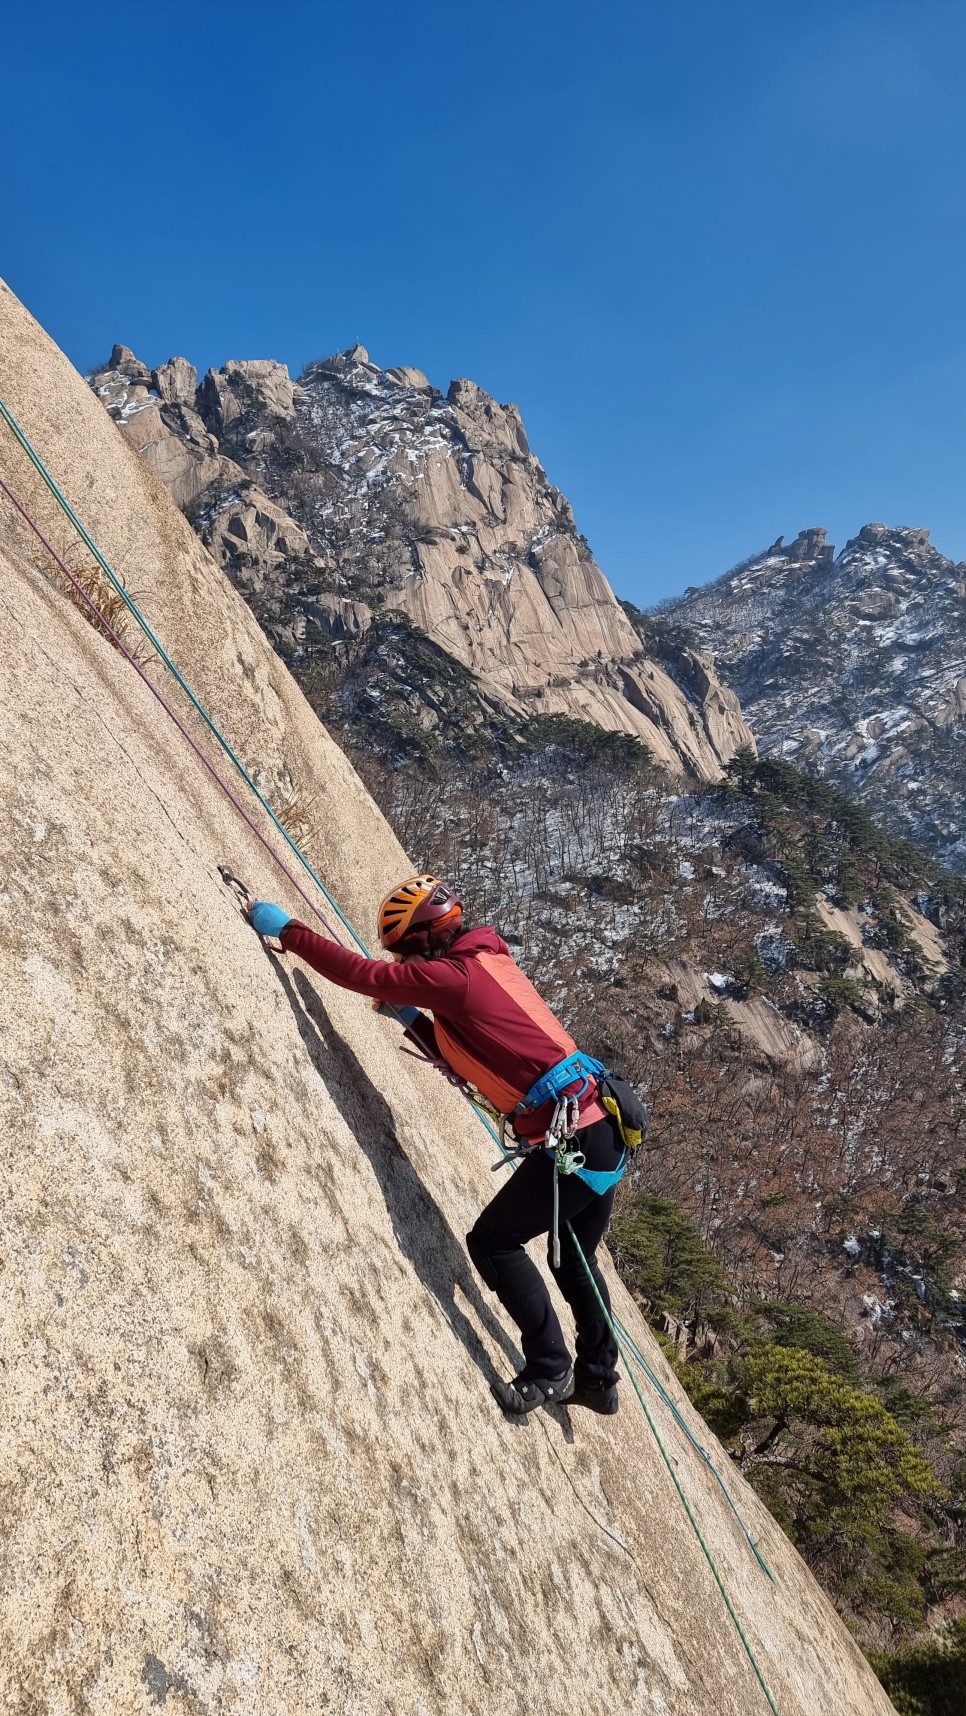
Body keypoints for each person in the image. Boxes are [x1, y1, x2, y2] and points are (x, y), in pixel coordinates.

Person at [246, 875, 626, 1417]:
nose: (401, 963)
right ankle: (599, 1379)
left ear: (423, 937)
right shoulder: (487, 961)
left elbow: (362, 974)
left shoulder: (455, 977)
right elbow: (473, 1055)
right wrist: (410, 1019)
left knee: (494, 1241)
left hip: (577, 1136)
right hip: (600, 1126)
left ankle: (552, 1368)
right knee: (576, 1259)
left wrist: (290, 931)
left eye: (403, 949)